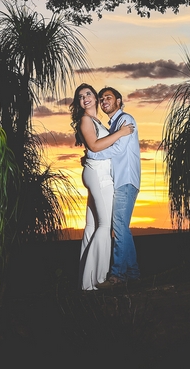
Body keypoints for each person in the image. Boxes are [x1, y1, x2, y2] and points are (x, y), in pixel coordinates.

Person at [70, 83, 134, 291]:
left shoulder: (96, 120)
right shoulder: (86, 119)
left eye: (88, 94)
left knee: (92, 226)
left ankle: (85, 278)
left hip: (96, 173)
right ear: (79, 103)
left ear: (96, 99)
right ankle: (93, 281)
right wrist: (122, 133)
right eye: (81, 97)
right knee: (105, 227)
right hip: (98, 175)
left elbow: (95, 146)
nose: (85, 98)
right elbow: (95, 146)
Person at [99, 86, 141, 286]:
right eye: (101, 98)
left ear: (118, 100)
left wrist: (92, 153)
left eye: (108, 97)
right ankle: (133, 274)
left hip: (126, 180)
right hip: (121, 182)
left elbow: (117, 148)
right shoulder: (114, 125)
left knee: (119, 228)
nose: (103, 100)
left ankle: (117, 276)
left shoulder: (126, 120)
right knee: (122, 229)